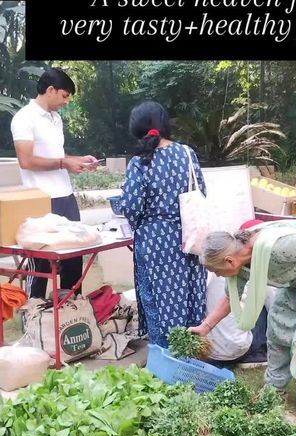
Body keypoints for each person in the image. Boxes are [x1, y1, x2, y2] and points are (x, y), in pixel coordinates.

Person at [191, 220, 296, 423]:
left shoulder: (278, 250)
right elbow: (230, 298)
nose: (217, 275)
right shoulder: (241, 262)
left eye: (216, 270)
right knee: (278, 323)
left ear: (229, 261)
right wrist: (205, 327)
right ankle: (275, 387)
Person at [121, 101, 207, 347]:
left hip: (154, 241)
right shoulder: (187, 154)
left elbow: (131, 207)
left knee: (158, 301)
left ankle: (163, 355)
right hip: (189, 237)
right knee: (190, 296)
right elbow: (201, 191)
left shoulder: (139, 162)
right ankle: (189, 352)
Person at [10, 67, 99, 298]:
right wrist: (63, 163)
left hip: (65, 196)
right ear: (50, 90)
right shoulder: (24, 118)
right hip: (40, 199)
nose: (67, 102)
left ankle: (70, 308)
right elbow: (26, 161)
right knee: (39, 262)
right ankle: (34, 310)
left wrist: (76, 160)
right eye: (64, 95)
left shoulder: (56, 118)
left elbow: (57, 155)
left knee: (73, 256)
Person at [205, 271, 276, 367]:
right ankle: (257, 353)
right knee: (268, 296)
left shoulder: (211, 273)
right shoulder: (255, 270)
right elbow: (275, 308)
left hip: (209, 352)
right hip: (239, 350)